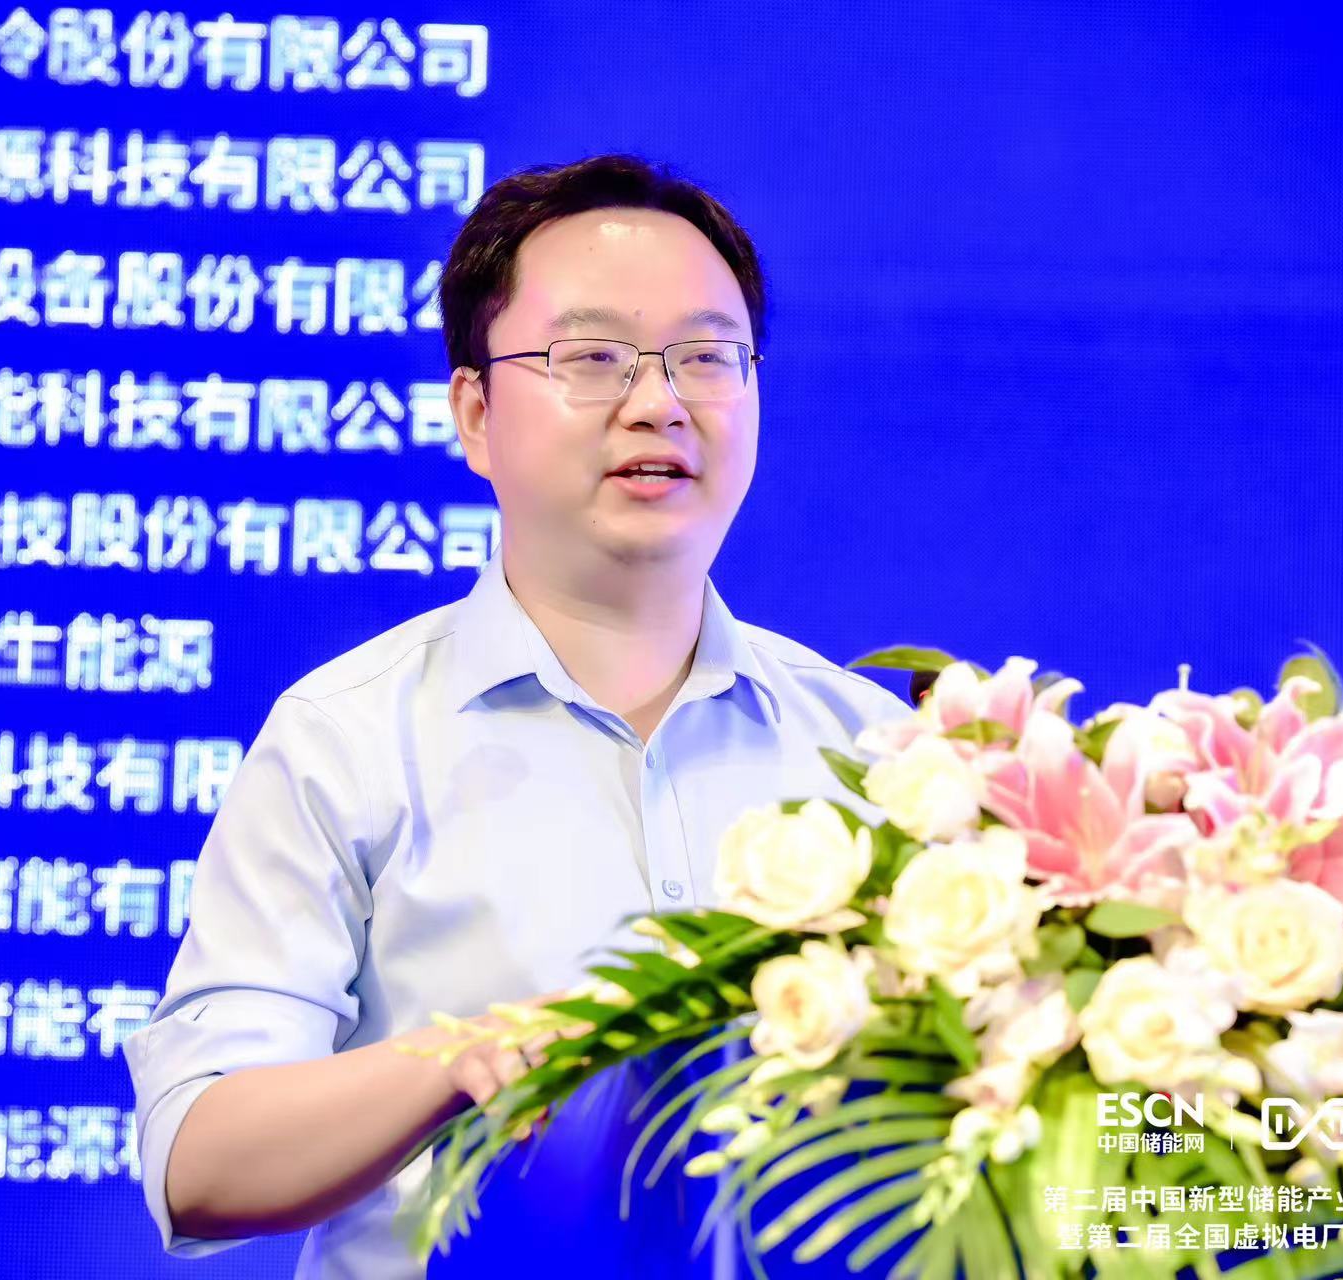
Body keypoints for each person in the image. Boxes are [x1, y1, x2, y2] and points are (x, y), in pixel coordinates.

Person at [122, 153, 910, 1279]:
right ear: (475, 413)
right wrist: (459, 1061)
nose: (659, 402)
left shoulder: (876, 755)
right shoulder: (349, 737)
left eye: (705, 357)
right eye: (592, 357)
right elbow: (198, 1160)